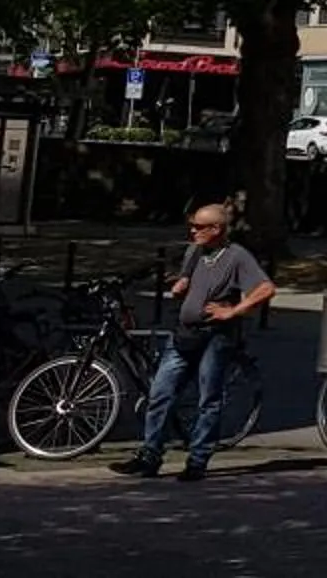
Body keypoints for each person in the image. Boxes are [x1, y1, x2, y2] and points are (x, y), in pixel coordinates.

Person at [114, 203, 273, 481]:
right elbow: (187, 278)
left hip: (215, 337)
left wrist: (233, 311)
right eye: (193, 225)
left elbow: (266, 288)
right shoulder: (195, 251)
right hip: (184, 333)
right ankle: (150, 455)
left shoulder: (237, 257)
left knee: (208, 398)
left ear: (217, 229)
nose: (193, 231)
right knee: (160, 393)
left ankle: (198, 460)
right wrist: (180, 286)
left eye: (199, 227)